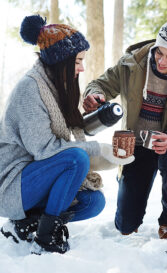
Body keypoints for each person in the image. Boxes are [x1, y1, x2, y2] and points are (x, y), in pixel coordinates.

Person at [0, 15, 133, 254]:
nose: (82, 67)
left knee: (94, 202)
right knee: (76, 159)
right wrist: (99, 150)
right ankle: (46, 235)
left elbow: (67, 132)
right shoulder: (30, 89)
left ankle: (25, 223)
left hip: (35, 178)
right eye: (78, 61)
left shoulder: (55, 87)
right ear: (61, 60)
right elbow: (47, 150)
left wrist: (90, 114)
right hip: (11, 185)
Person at [83, 12, 167, 241]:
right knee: (125, 225)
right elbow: (100, 83)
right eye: (159, 52)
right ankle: (129, 193)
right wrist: (95, 94)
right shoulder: (131, 64)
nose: (161, 61)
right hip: (138, 143)